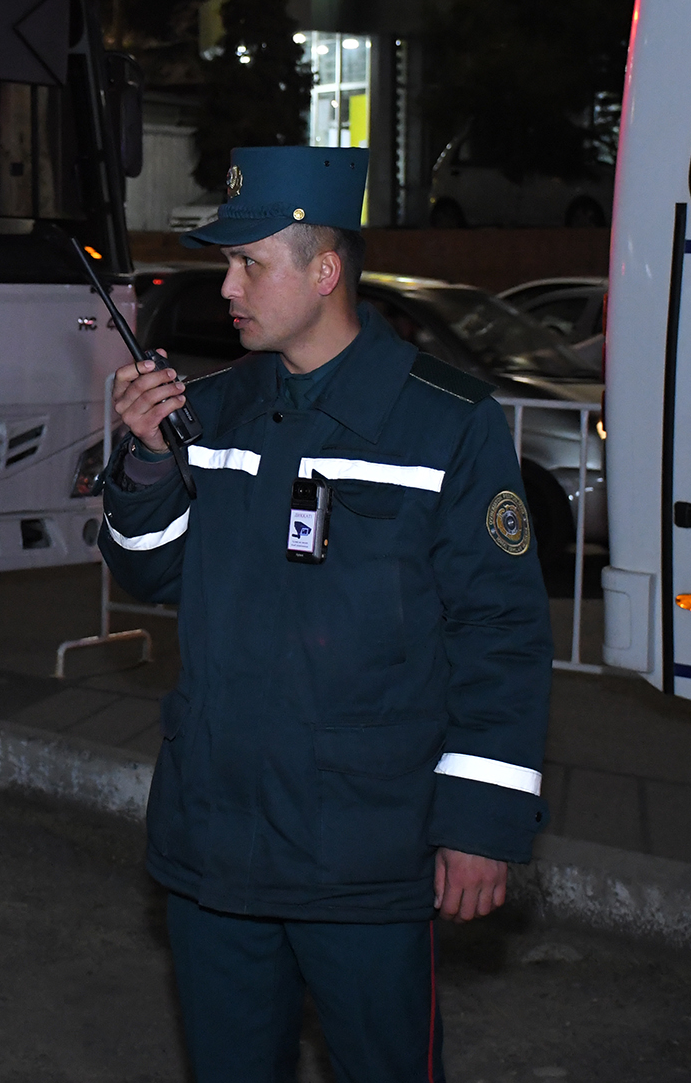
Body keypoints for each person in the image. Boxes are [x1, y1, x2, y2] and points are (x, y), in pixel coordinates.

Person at [100, 146, 553, 1082]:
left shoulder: (446, 422)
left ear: (324, 271)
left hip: (364, 850)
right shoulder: (212, 411)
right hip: (217, 838)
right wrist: (144, 460)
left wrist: (480, 821)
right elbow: (151, 572)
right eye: (227, 264)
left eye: (248, 262)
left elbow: (500, 631)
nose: (227, 287)